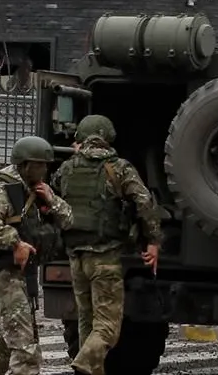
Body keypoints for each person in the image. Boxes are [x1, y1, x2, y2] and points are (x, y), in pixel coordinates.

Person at [51, 115, 163, 375]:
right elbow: (144, 202)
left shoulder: (67, 168)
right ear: (108, 137)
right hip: (105, 257)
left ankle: (90, 368)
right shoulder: (119, 168)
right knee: (108, 327)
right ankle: (85, 361)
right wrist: (153, 241)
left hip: (76, 256)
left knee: (86, 321)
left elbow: (53, 197)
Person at [0, 136, 73, 375]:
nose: (46, 169)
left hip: (24, 274)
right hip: (5, 274)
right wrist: (15, 243)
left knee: (10, 342)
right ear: (26, 164)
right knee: (26, 351)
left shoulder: (36, 191)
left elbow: (69, 219)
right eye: (41, 164)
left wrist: (52, 199)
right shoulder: (4, 190)